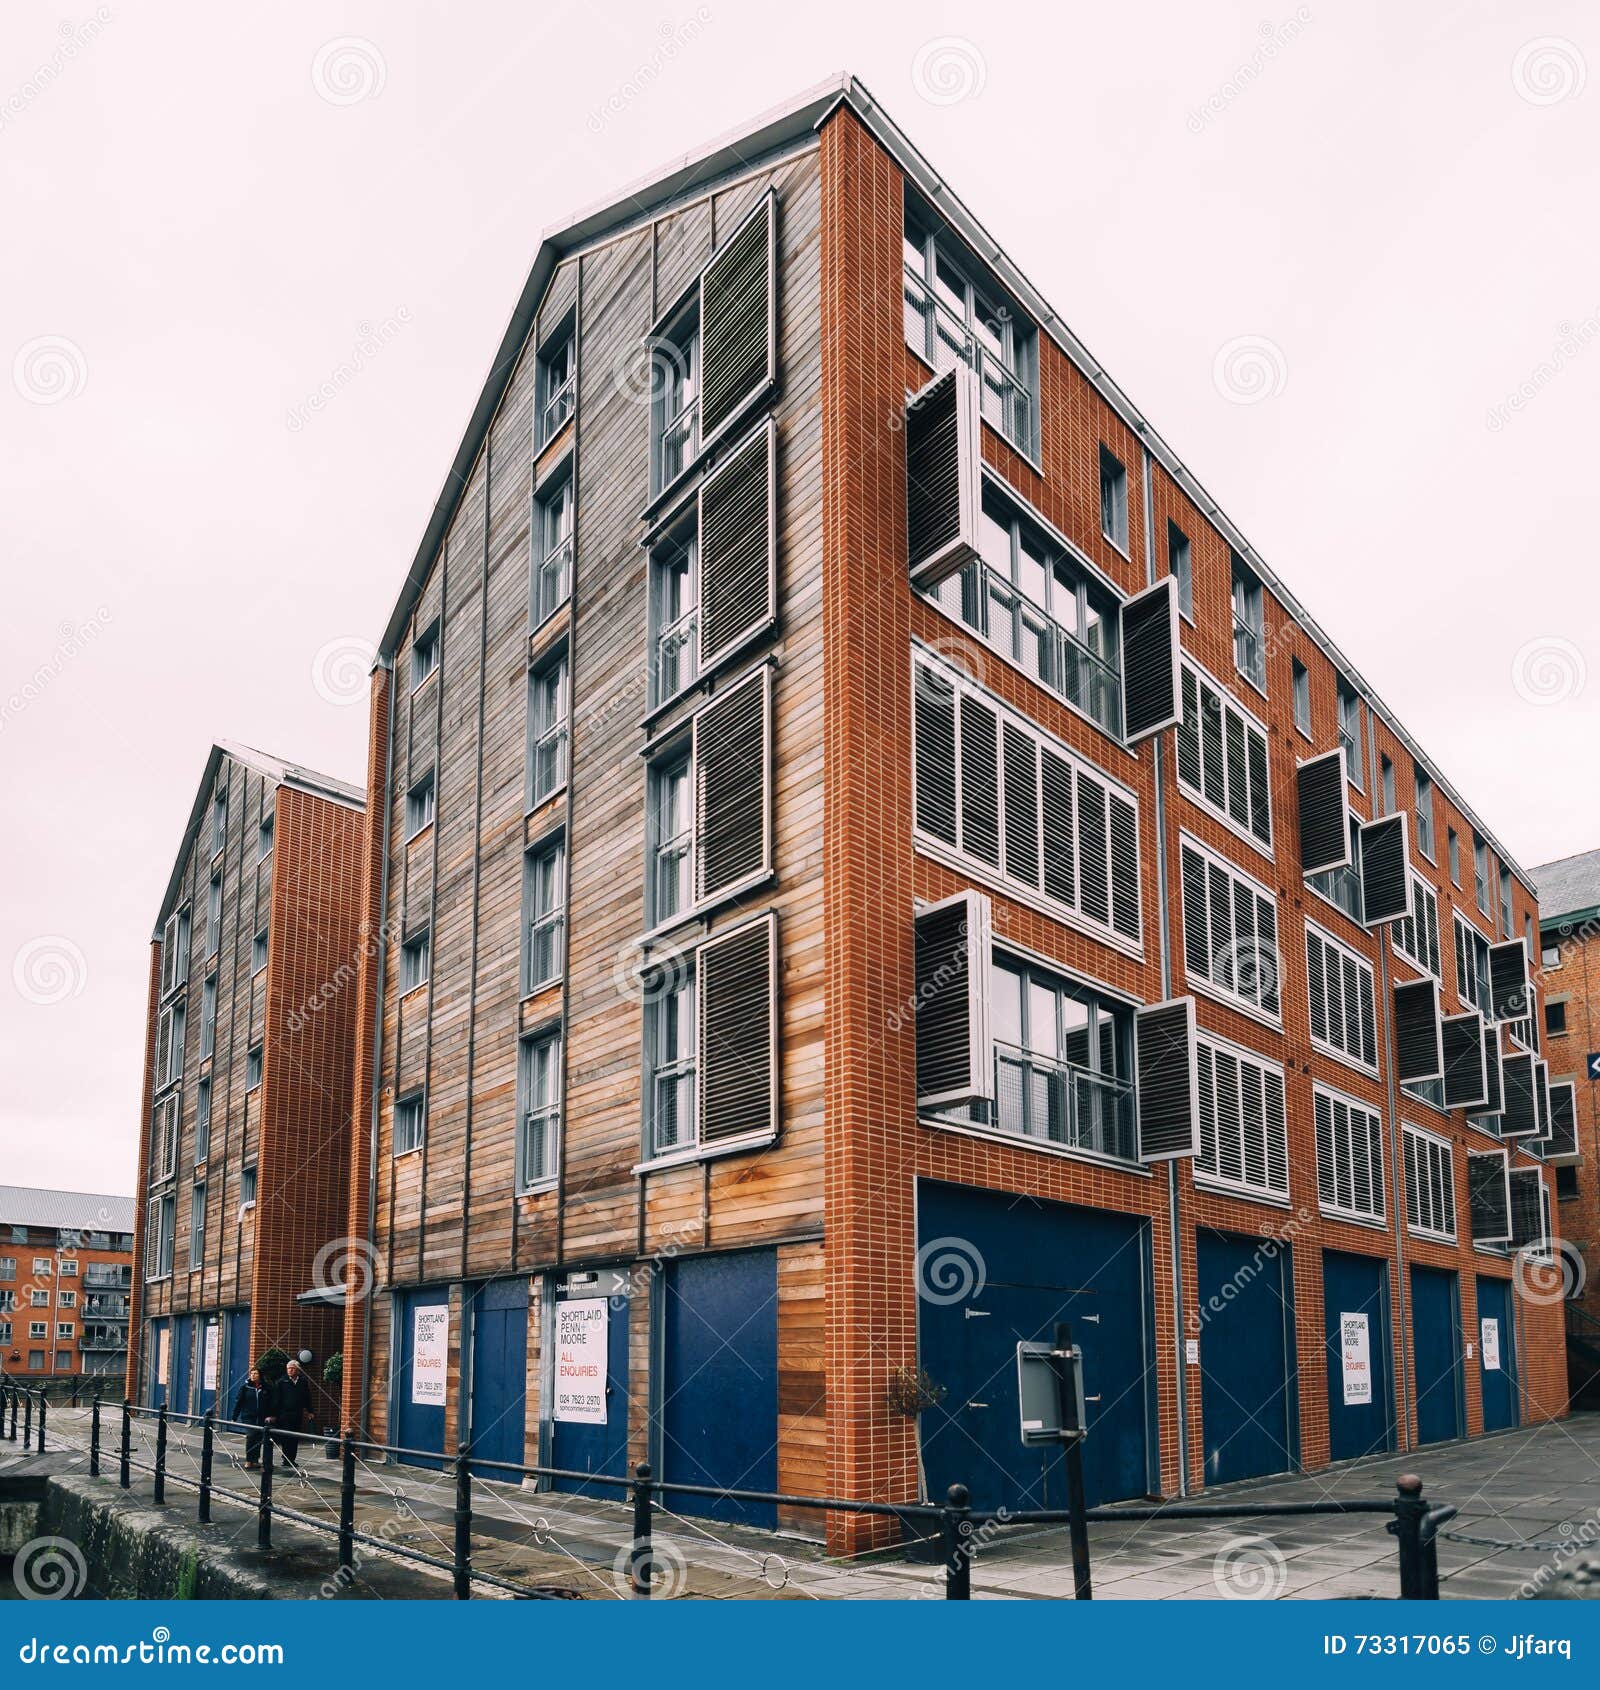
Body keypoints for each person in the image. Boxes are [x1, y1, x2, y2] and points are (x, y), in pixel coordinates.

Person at [273, 1357, 314, 1470]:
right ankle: (286, 1459)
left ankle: (292, 1459)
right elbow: (276, 1399)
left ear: (297, 1370)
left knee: (295, 1436)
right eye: (288, 1368)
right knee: (286, 1437)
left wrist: (310, 1411)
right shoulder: (281, 1382)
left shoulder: (302, 1381)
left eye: (292, 1368)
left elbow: (307, 1397)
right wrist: (274, 1414)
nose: (290, 1370)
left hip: (297, 1413)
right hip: (284, 1414)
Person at [232, 1367, 271, 1471]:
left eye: (255, 1374)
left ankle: (255, 1460)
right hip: (249, 1417)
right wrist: (234, 1416)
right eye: (252, 1374)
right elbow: (238, 1402)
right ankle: (249, 1460)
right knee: (251, 1436)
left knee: (258, 1438)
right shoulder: (245, 1388)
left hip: (262, 1417)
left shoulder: (266, 1388)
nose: (253, 1375)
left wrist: (270, 1415)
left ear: (260, 1375)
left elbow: (270, 1403)